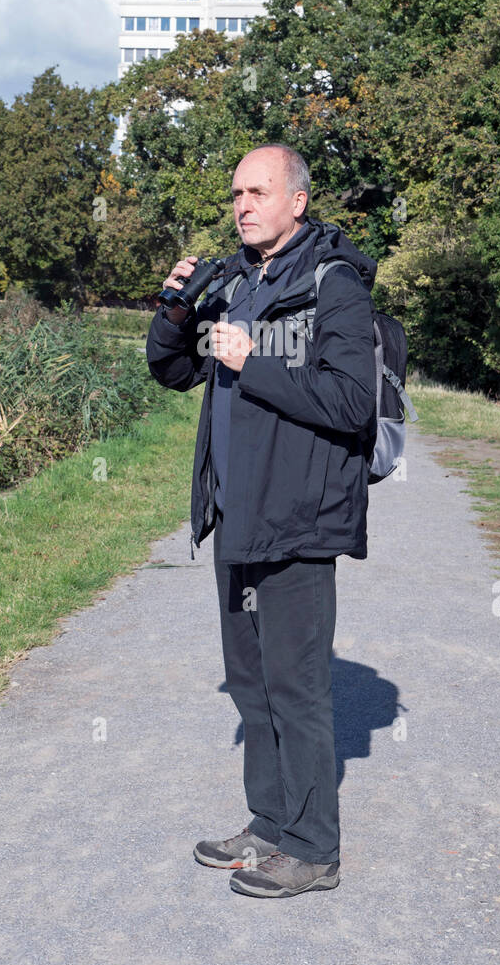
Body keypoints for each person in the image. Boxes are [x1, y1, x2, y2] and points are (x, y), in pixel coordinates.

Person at [145, 144, 378, 899]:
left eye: (258, 191)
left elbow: (350, 402)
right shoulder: (236, 279)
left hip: (299, 516)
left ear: (297, 201)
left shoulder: (331, 284)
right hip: (236, 513)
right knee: (250, 683)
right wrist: (176, 307)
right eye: (236, 192)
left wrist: (256, 363)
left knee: (295, 684)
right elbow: (173, 371)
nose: (242, 204)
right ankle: (271, 824)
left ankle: (314, 849)